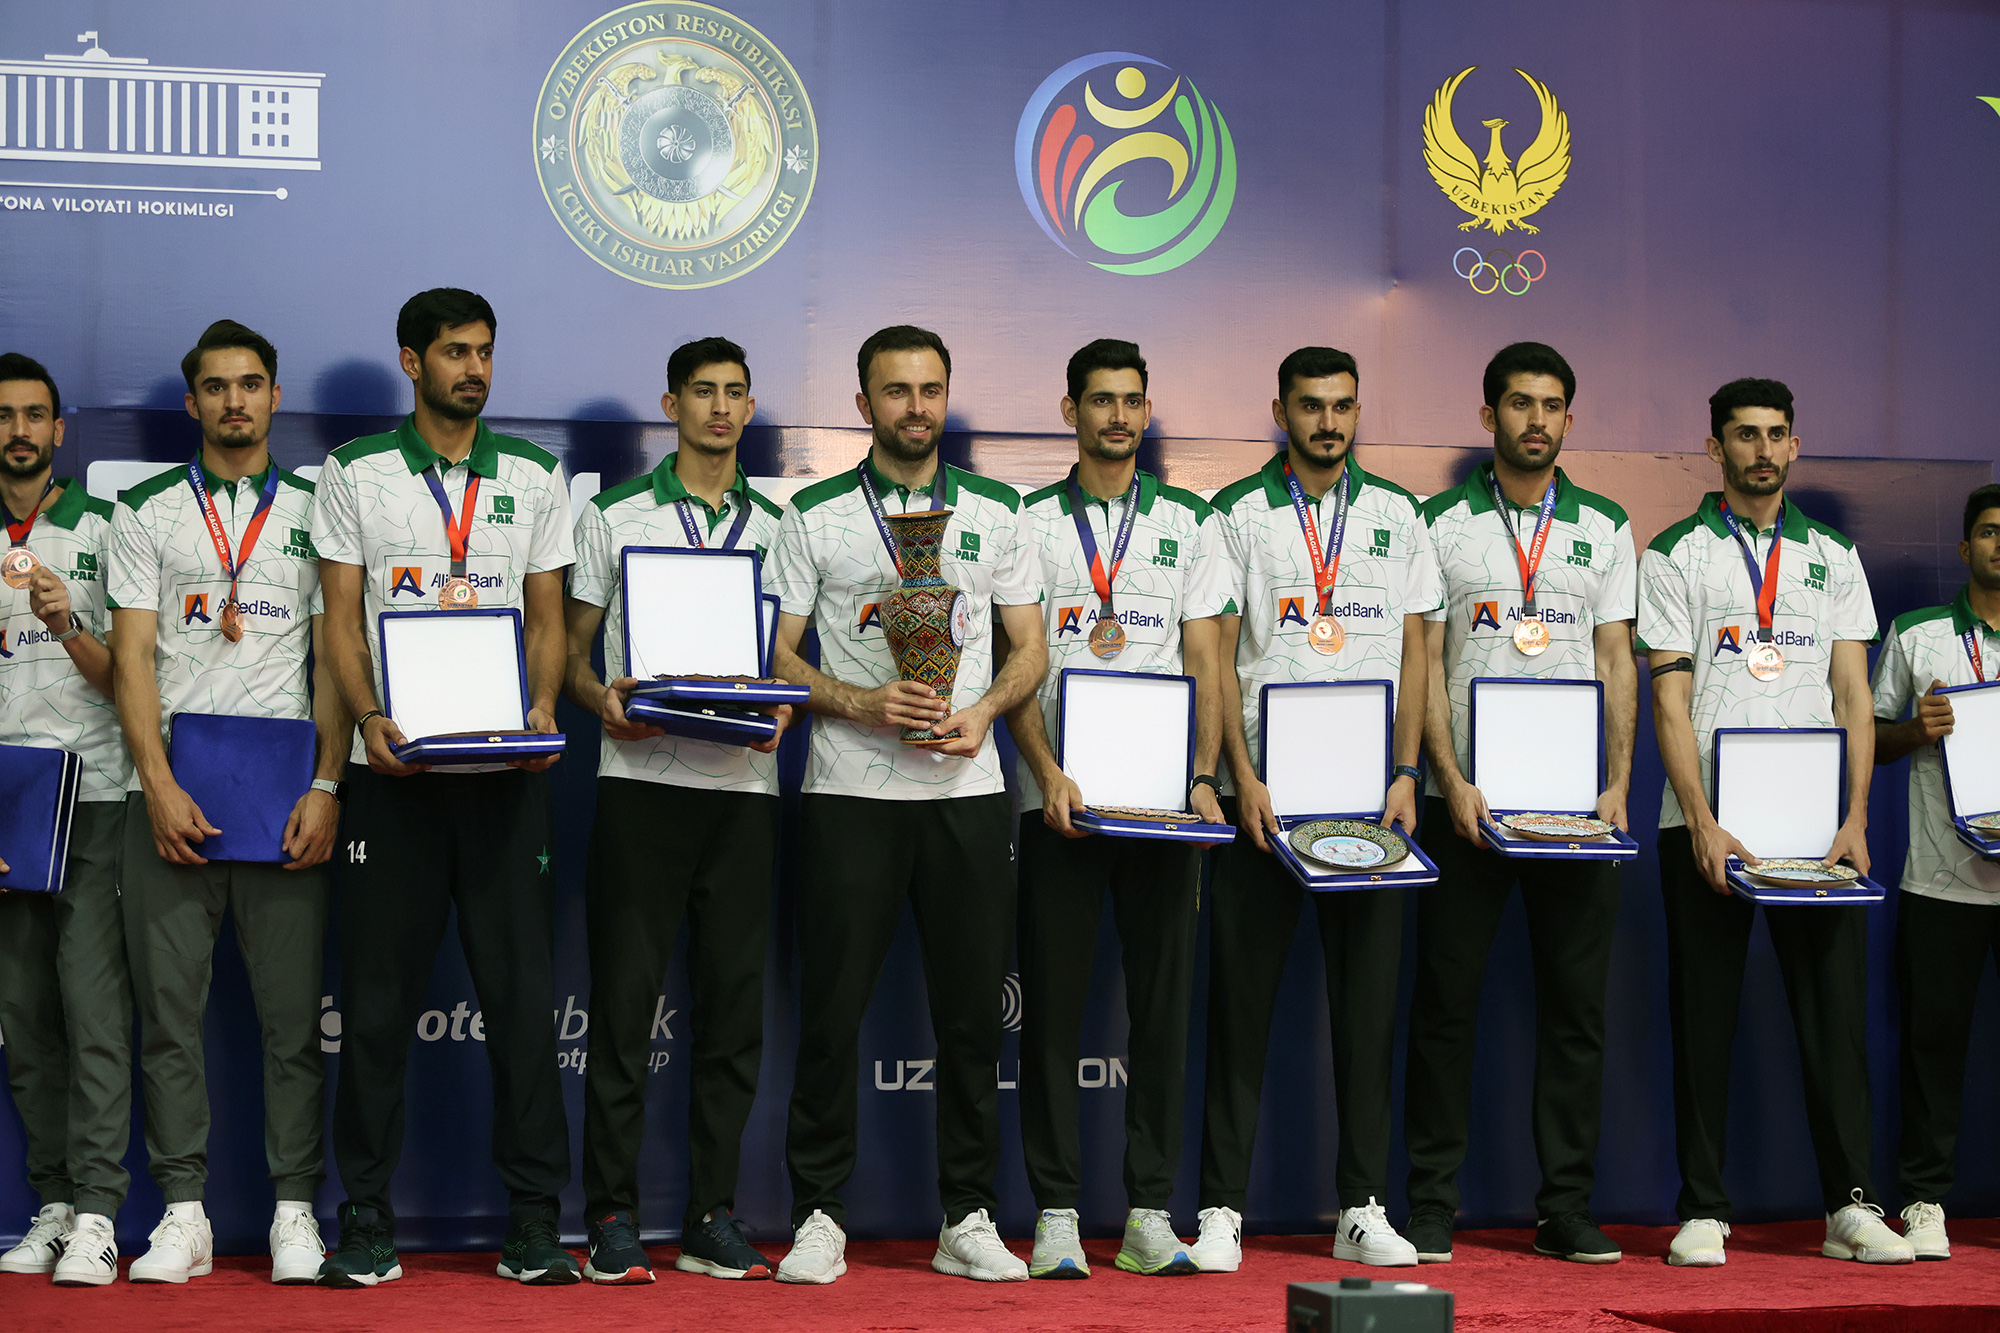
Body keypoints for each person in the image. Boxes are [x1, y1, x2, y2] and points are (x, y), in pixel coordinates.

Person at [765, 325, 1045, 1285]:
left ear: (947, 396)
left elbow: (1030, 648)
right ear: (864, 403)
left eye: (930, 389)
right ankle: (818, 1215)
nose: (915, 407)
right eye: (896, 391)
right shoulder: (814, 515)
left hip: (968, 791)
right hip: (850, 792)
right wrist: (860, 702)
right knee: (831, 1015)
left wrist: (985, 711)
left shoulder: (999, 512)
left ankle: (967, 1215)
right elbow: (779, 656)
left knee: (971, 1019)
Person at [312, 289, 578, 1286]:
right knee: (376, 1006)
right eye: (455, 352)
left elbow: (546, 617)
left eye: (484, 352)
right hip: (396, 775)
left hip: (505, 779)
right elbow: (340, 621)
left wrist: (542, 705)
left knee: (522, 1005)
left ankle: (533, 1223)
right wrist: (368, 717)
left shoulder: (535, 475)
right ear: (411, 361)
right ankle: (367, 1219)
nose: (474, 369)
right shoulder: (355, 472)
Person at [1640, 377, 1910, 1266]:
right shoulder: (1675, 553)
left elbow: (1853, 694)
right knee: (1703, 1017)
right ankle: (1703, 1209)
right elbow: (1669, 699)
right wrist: (1701, 818)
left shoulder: (1833, 554)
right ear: (1714, 446)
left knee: (1835, 1021)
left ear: (1795, 444)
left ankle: (1851, 1207)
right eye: (1745, 434)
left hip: (1816, 830)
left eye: (1776, 433)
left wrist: (1856, 815)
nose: (1762, 449)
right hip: (1709, 827)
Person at [105, 321, 345, 1284]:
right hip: (170, 798)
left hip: (285, 801)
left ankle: (294, 1210)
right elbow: (130, 658)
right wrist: (158, 782)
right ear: (192, 401)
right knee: (170, 1018)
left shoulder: (320, 509)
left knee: (292, 1022)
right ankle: (183, 1212)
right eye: (215, 386)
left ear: (275, 396)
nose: (234, 400)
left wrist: (327, 784)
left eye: (250, 384)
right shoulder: (146, 510)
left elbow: (334, 660)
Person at [1191, 346, 1439, 1273]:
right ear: (1280, 411)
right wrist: (1239, 774)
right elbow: (1218, 655)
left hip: (1372, 807)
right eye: (1310, 406)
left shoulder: (1400, 514)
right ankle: (1221, 1207)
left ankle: (1362, 1206)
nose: (1327, 422)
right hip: (1265, 805)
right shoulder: (1236, 513)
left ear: (1357, 412)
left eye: (1341, 406)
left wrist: (1408, 771)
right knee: (1240, 1011)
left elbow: (1417, 653)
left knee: (1367, 1018)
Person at [1404, 342, 1637, 1265]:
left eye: (1551, 405)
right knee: (1445, 1008)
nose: (1535, 420)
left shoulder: (1607, 526)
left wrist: (1617, 783)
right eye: (1519, 403)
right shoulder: (1438, 523)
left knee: (1576, 1013)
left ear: (1569, 419)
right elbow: (1427, 661)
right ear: (1488, 415)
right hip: (1466, 805)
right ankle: (1431, 1204)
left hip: (1577, 814)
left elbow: (1616, 660)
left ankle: (1565, 1208)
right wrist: (1449, 777)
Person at [564, 337, 789, 1284]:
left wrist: (781, 707)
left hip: (743, 793)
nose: (721, 408)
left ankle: (709, 1215)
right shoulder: (614, 514)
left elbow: (788, 649)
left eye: (736, 392)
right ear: (672, 404)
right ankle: (611, 1216)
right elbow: (568, 651)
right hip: (641, 786)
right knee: (623, 1012)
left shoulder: (781, 521)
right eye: (703, 391)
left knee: (733, 1018)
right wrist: (601, 700)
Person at [1007, 339, 1228, 1279]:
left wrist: (1204, 775)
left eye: (1132, 400)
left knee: (1163, 1015)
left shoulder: (1190, 521)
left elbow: (1207, 659)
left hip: (1163, 812)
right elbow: (1017, 664)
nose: (1118, 416)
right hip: (1060, 803)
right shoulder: (1026, 521)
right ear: (1071, 411)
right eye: (1101, 400)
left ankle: (1148, 1210)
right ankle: (1056, 1210)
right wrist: (1046, 770)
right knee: (1053, 1012)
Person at [0, 354, 131, 1287]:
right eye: (3, 414)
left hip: (94, 794)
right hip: (6, 802)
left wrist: (69, 622)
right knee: (23, 1015)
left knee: (92, 1012)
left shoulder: (107, 528)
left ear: (59, 427)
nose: (19, 430)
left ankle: (97, 1213)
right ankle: (51, 1201)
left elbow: (132, 681)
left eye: (33, 414)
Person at [1871, 483, 2000, 1262]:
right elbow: (1869, 737)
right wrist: (1916, 728)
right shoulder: (1920, 634)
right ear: (1963, 548)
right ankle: (1924, 1201)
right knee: (1932, 1048)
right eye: (1988, 531)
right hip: (1941, 880)